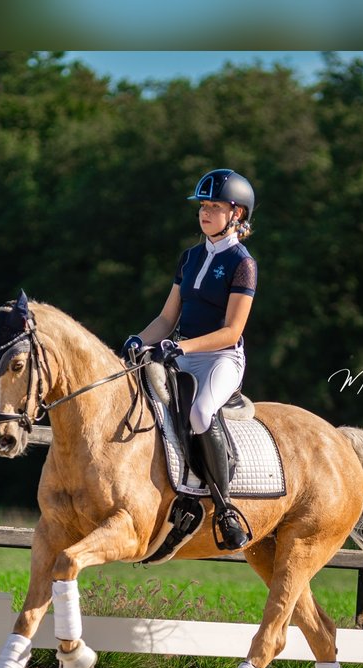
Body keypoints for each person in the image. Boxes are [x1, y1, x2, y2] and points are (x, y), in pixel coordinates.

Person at [121, 168, 258, 551]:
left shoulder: (242, 263)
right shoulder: (191, 257)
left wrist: (182, 348)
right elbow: (167, 319)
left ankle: (225, 507)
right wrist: (137, 339)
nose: (205, 212)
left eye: (215, 206)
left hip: (220, 359)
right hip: (181, 352)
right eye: (203, 206)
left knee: (199, 413)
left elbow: (232, 331)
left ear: (237, 214)